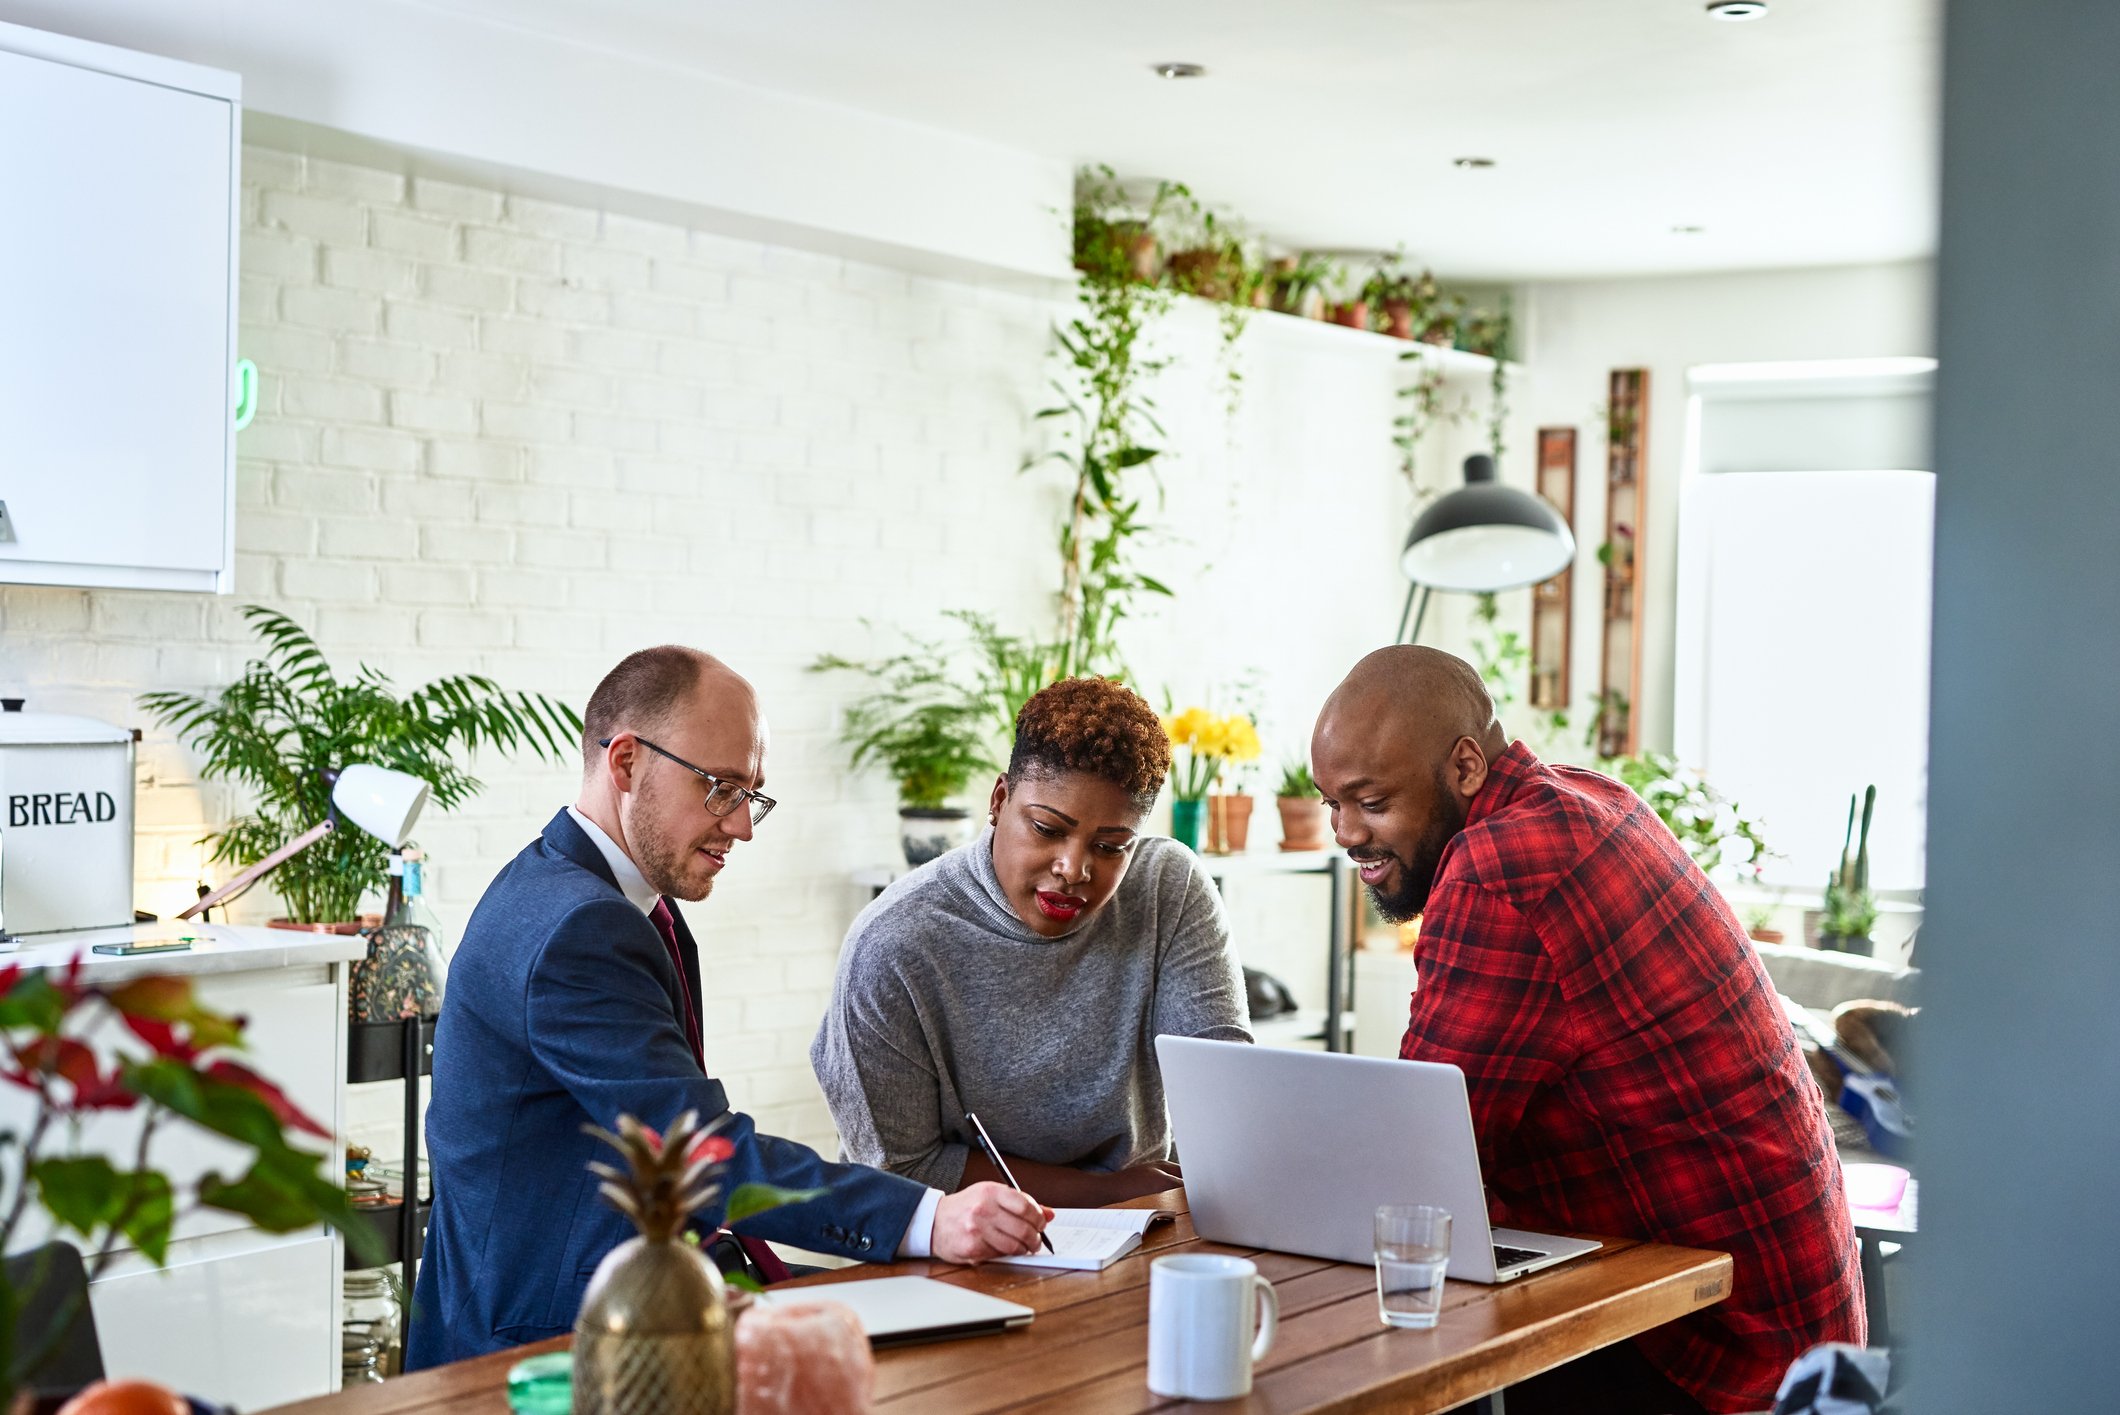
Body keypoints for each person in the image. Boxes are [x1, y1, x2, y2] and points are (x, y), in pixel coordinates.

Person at [408, 647, 1048, 1370]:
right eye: (720, 788)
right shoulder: (579, 929)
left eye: (753, 793)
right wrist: (930, 1215)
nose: (742, 826)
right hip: (544, 1347)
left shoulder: (596, 895)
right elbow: (702, 1154)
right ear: (625, 763)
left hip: (631, 1293)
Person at [1310, 646, 1863, 1415]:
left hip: (1715, 1347)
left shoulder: (1498, 866)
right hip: (1801, 1325)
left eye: (1371, 801)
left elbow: (1421, 1161)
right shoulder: (1591, 796)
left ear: (1466, 766)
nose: (1344, 831)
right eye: (1330, 802)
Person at [811, 676, 1251, 1207]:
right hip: (956, 1246)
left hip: (1140, 1227)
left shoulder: (1167, 888)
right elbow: (899, 1168)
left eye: (1111, 846)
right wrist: (1105, 1192)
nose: (1074, 869)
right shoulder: (893, 944)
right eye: (1046, 829)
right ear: (999, 799)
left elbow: (1222, 1089)